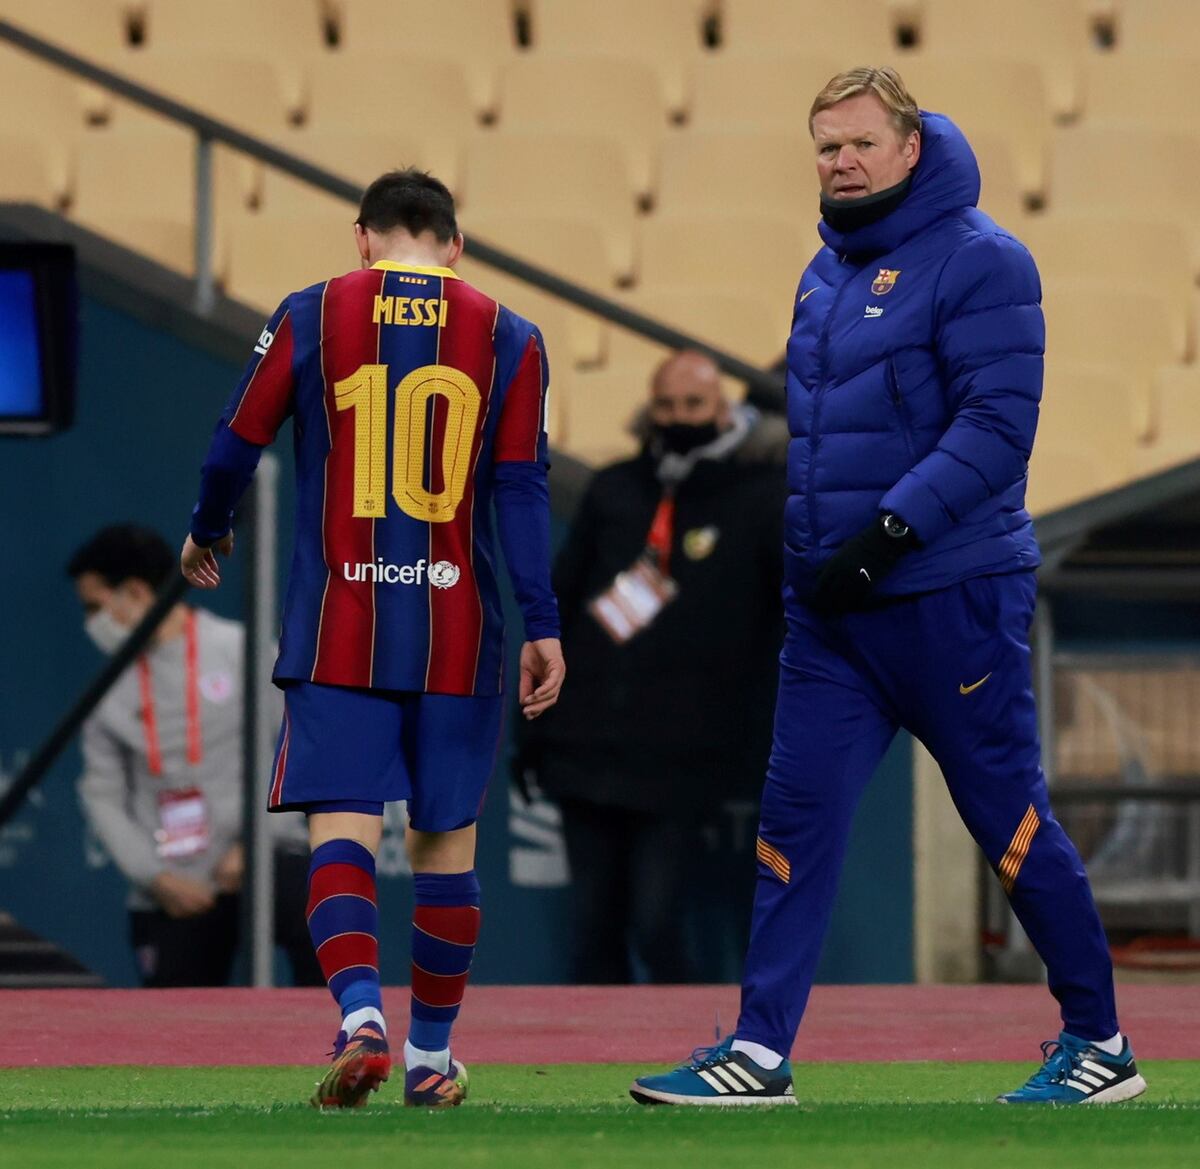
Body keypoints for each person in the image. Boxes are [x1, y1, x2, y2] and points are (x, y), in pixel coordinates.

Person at [632, 67, 1145, 1107]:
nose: (843, 162)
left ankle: (1100, 1039)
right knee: (793, 821)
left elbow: (997, 430)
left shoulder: (985, 259)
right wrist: (821, 560)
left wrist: (887, 533)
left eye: (862, 143)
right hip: (833, 613)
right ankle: (759, 1050)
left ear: (911, 148)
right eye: (827, 146)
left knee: (1007, 820)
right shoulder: (822, 274)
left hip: (951, 596)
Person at [179, 169, 564, 1110]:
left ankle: (361, 1017)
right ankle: (430, 1057)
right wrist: (543, 621)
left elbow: (234, 440)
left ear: (362, 238)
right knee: (445, 849)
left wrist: (208, 527)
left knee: (341, 828)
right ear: (455, 244)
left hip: (338, 625)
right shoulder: (513, 335)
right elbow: (521, 488)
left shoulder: (312, 313)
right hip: (458, 628)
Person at [519, 350, 786, 983]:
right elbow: (558, 610)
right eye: (666, 405)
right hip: (586, 748)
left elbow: (774, 630)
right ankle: (597, 1047)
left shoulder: (759, 500)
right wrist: (532, 734)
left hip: (684, 757)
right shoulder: (615, 489)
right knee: (591, 933)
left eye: (695, 405)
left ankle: (679, 1040)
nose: (679, 417)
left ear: (724, 410)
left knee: (657, 924)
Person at [67, 523, 320, 988]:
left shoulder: (239, 650)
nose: (90, 624)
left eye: (95, 607)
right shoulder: (108, 688)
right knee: (174, 1007)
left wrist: (254, 846)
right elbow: (102, 795)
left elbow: (296, 749)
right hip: (174, 885)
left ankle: (342, 1031)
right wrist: (157, 879)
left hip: (261, 857)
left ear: (136, 592)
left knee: (320, 914)